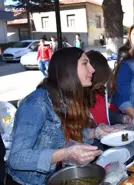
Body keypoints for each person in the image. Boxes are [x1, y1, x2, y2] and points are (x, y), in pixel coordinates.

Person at [6, 47, 118, 184]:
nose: (92, 69)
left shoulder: (67, 98)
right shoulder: (36, 103)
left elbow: (64, 134)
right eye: (85, 63)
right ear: (68, 68)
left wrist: (96, 132)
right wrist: (66, 154)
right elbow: (17, 157)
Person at [86, 50, 113, 125]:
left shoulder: (100, 92)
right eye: (101, 81)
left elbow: (105, 114)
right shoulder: (80, 99)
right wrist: (96, 132)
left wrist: (121, 118)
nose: (103, 83)